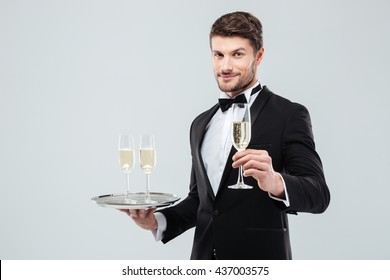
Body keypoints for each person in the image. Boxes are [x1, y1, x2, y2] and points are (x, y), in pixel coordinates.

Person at [120, 11, 330, 260]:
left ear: (258, 56)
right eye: (218, 54)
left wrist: (275, 182)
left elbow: (318, 195)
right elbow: (202, 201)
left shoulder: (289, 114)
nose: (225, 66)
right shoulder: (200, 123)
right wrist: (156, 222)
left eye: (237, 54)